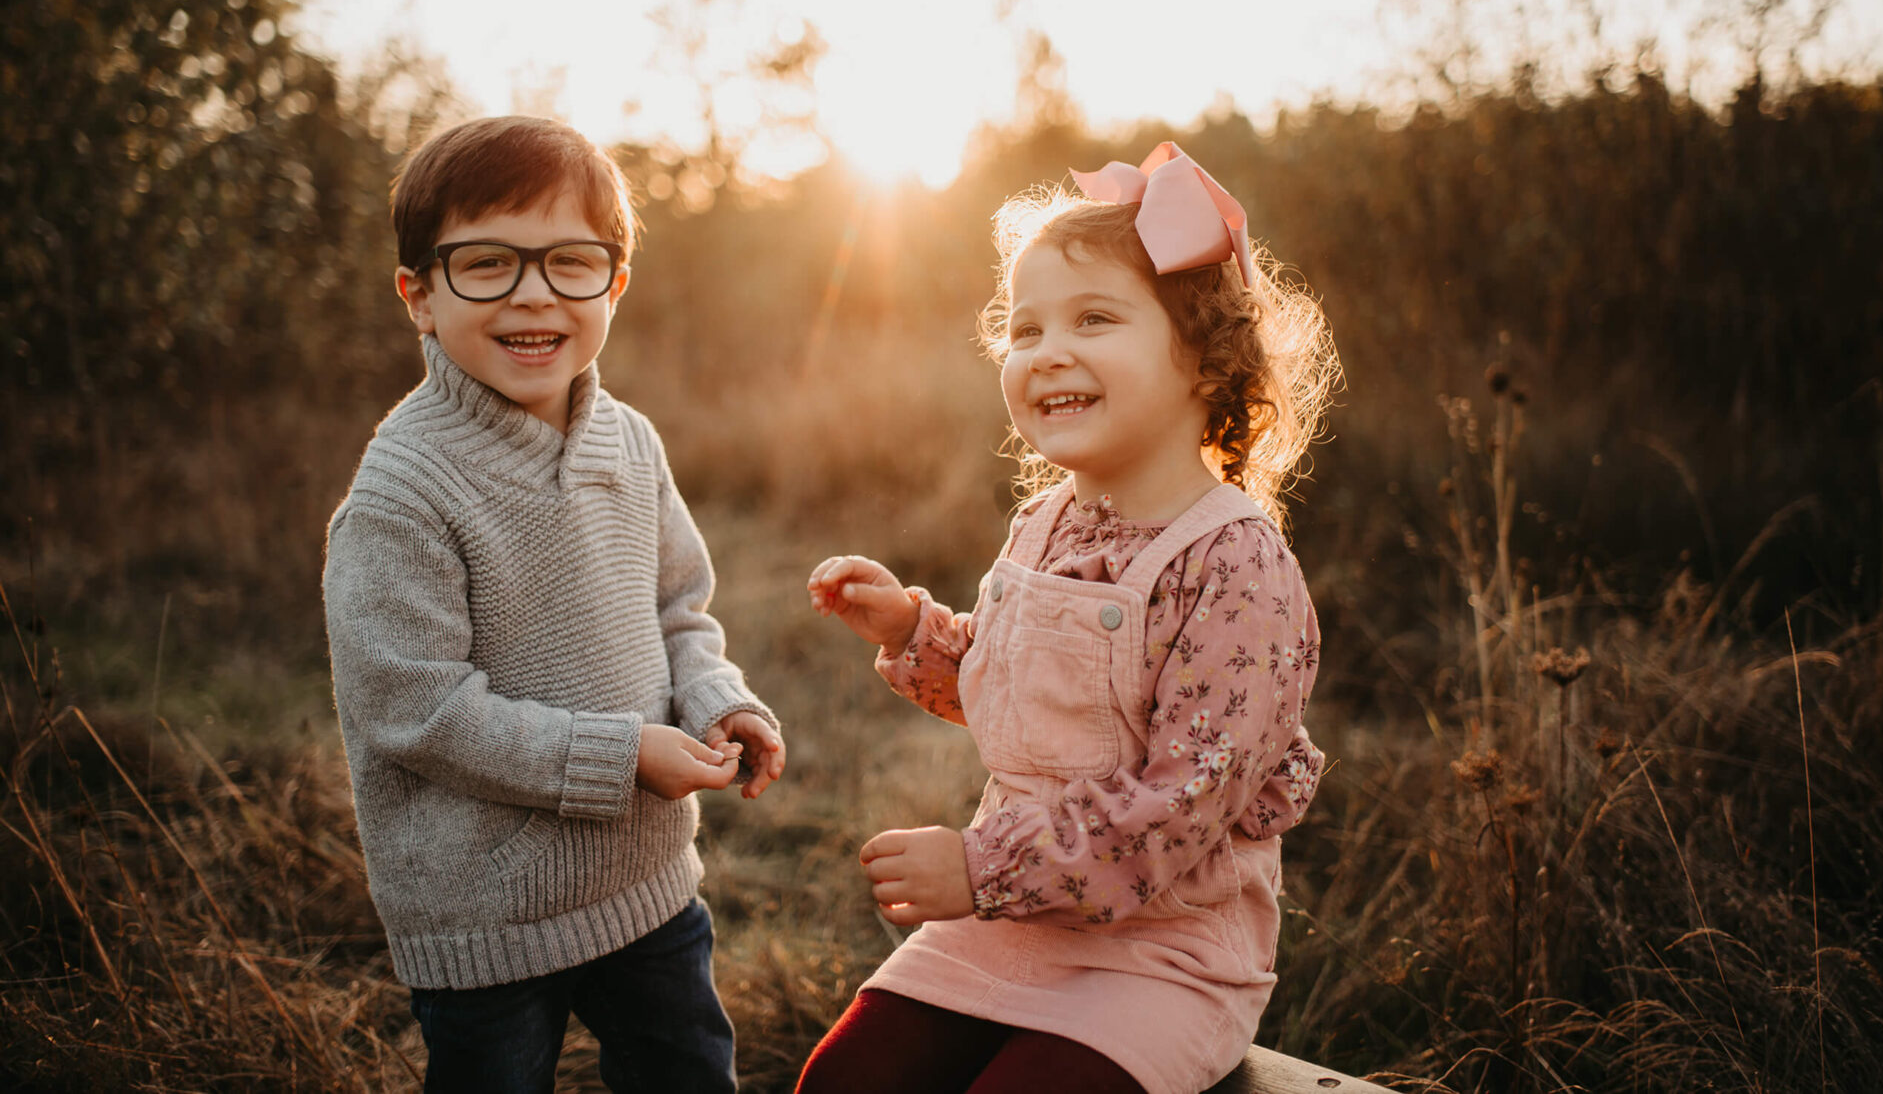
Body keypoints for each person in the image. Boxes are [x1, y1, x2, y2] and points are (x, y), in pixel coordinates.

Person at [798, 143, 1339, 1094]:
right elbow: (1031, 692)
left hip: (1166, 954)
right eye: (1023, 328)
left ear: (1207, 363)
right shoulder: (1046, 521)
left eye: (1094, 318)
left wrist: (977, 868)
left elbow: (1181, 804)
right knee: (846, 1081)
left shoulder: (1238, 564)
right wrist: (911, 635)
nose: (1047, 350)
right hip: (1008, 930)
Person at [323, 116, 785, 1094]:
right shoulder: (402, 491)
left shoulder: (630, 442)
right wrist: (623, 754)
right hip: (486, 911)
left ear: (612, 284)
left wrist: (717, 702)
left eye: (571, 262)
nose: (534, 293)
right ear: (419, 294)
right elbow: (418, 710)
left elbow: (681, 611)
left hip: (648, 886)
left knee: (690, 1072)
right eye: (487, 263)